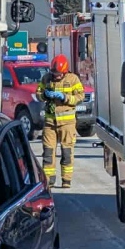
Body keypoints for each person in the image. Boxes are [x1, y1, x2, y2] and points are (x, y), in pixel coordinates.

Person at [37, 54, 85, 188]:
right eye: (54, 73)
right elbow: (38, 93)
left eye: (58, 74)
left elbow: (80, 96)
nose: (56, 76)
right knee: (48, 152)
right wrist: (44, 95)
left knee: (67, 152)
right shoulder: (46, 78)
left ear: (64, 72)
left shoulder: (73, 79)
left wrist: (65, 97)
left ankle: (66, 180)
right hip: (50, 123)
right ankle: (49, 180)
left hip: (67, 123)